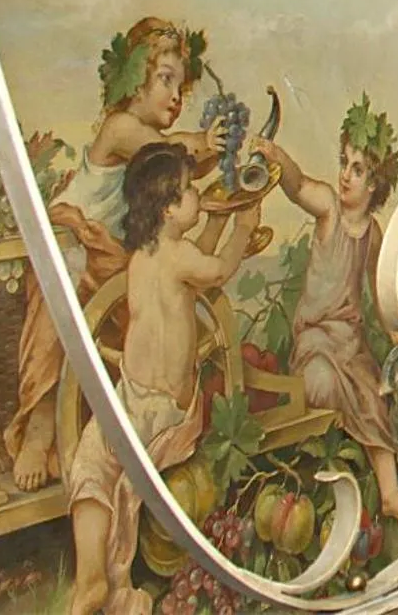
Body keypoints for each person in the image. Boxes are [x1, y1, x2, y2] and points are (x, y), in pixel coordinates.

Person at [9, 19, 225, 493]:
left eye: (181, 85)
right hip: (75, 245)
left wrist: (211, 154)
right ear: (134, 82)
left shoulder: (153, 142)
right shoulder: (123, 127)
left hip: (110, 257)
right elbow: (168, 156)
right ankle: (40, 429)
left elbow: (181, 168)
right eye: (165, 79)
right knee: (56, 311)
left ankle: (133, 417)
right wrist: (204, 146)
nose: (176, 96)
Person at [67, 142, 260, 615]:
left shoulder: (146, 256)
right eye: (190, 191)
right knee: (110, 472)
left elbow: (195, 268)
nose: (197, 196)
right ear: (170, 208)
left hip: (144, 405)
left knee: (96, 466)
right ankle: (97, 580)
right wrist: (243, 227)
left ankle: (94, 577)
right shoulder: (180, 257)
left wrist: (215, 219)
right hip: (152, 407)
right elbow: (214, 271)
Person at [257, 96, 398, 526]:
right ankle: (332, 477)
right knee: (322, 383)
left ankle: (388, 492)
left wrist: (393, 328)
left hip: (351, 345)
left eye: (358, 169)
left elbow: (378, 291)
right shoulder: (328, 208)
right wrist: (278, 158)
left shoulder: (372, 233)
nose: (345, 174)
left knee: (372, 395)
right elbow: (295, 186)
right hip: (315, 342)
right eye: (344, 162)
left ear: (374, 184)